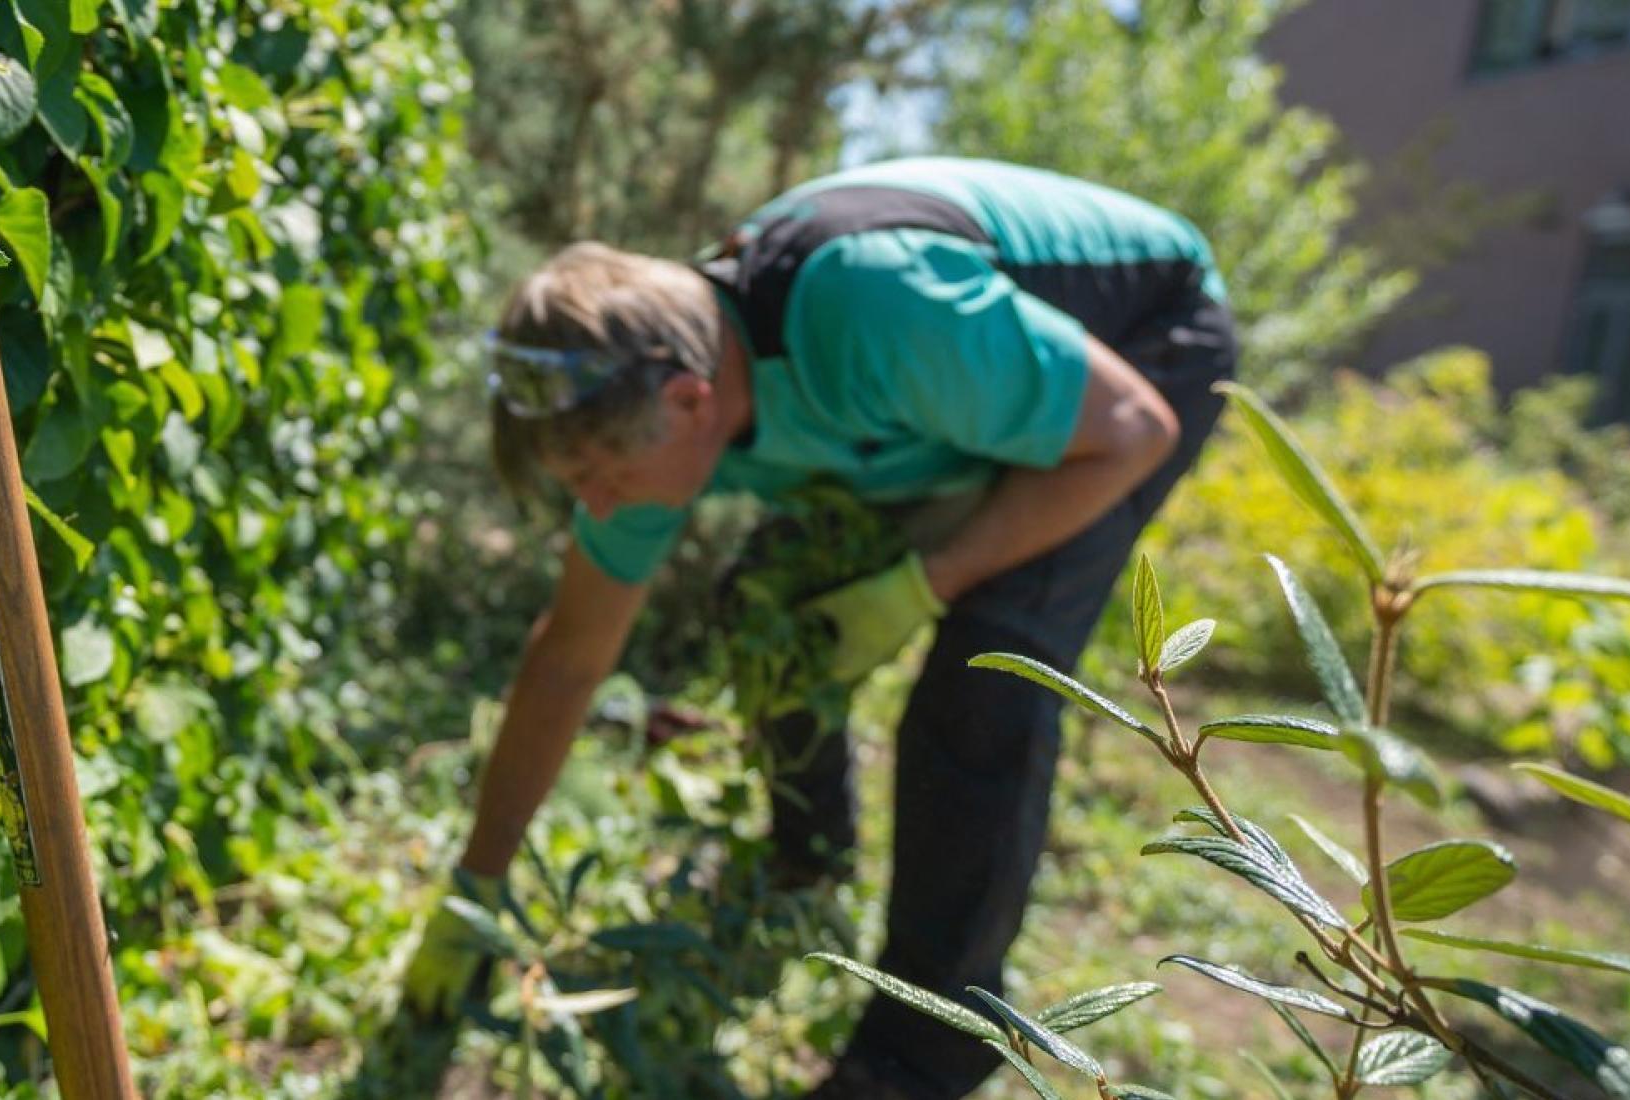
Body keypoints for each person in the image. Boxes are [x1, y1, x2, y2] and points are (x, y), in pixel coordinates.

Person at [399, 156, 1237, 1098]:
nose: (596, 503)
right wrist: (475, 886)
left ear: (689, 403)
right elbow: (567, 662)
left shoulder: (871, 311)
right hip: (954, 400)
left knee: (986, 668)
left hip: (1138, 351)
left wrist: (922, 585)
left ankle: (923, 1054)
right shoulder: (645, 413)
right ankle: (809, 870)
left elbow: (1134, 430)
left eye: (604, 478)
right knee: (769, 604)